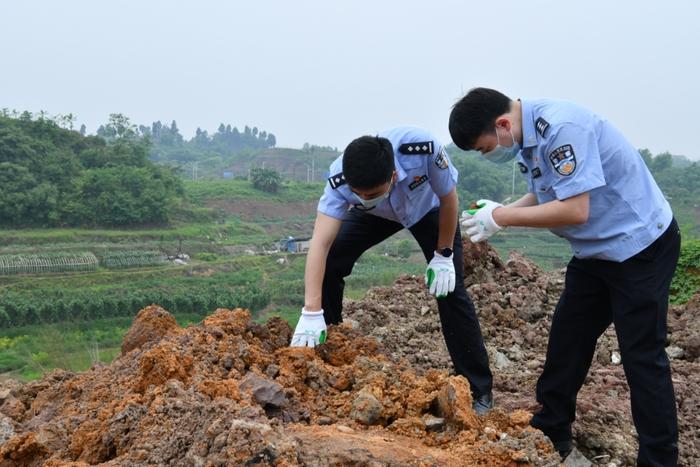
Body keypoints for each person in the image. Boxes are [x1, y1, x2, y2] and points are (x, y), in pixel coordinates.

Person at [448, 88, 680, 465]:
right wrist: (500, 215)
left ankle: (659, 460)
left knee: (641, 357)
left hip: (640, 247)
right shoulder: (526, 138)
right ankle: (551, 431)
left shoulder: (561, 129)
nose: (487, 156)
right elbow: (545, 194)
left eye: (486, 149)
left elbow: (574, 210)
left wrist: (502, 218)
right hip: (595, 253)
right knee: (566, 342)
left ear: (502, 124)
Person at [289, 126, 494, 414]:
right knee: (332, 259)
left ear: (393, 177)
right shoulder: (340, 180)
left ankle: (478, 389)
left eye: (370, 192)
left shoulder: (422, 150)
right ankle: (332, 346)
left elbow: (449, 199)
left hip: (428, 210)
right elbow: (320, 244)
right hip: (375, 215)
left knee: (449, 288)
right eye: (356, 193)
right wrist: (311, 310)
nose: (362, 196)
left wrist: (444, 253)